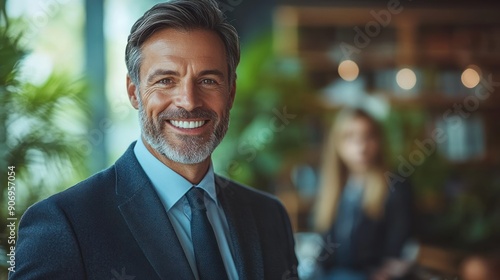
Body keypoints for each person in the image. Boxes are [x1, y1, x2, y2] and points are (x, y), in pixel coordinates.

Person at [10, 1, 298, 279]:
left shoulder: (269, 217)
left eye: (208, 80)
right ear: (134, 92)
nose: (188, 101)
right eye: (165, 80)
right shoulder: (64, 224)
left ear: (231, 92)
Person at [313, 108, 412, 280]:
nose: (361, 146)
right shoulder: (334, 189)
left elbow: (398, 249)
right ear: (337, 143)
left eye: (368, 136)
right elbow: (325, 254)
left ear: (379, 141)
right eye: (350, 137)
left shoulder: (394, 187)